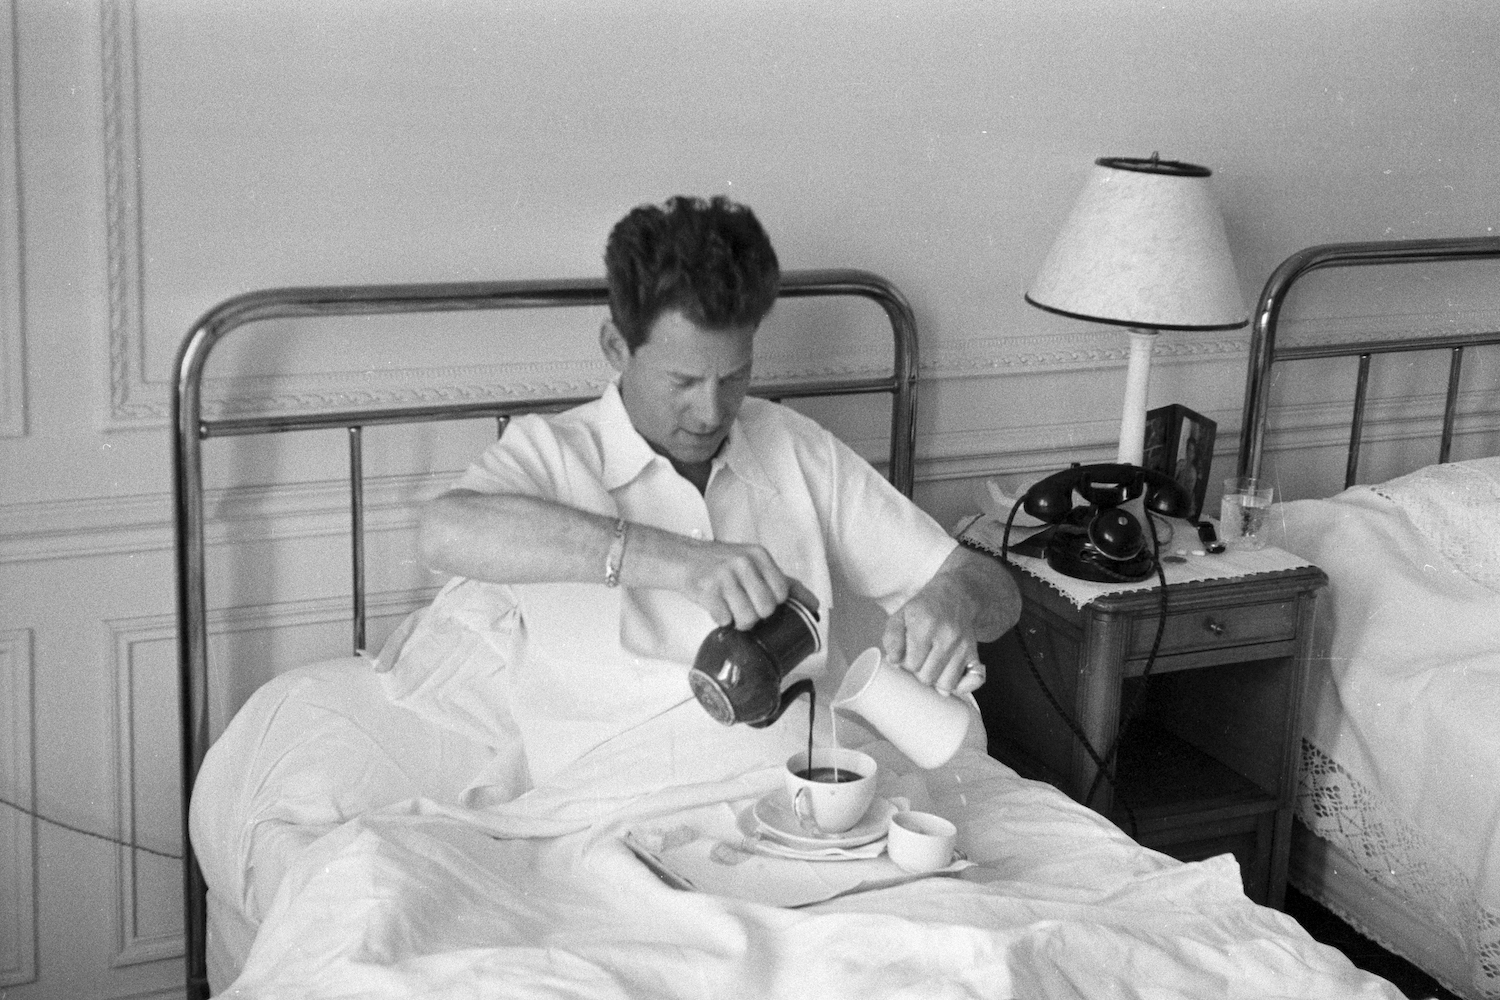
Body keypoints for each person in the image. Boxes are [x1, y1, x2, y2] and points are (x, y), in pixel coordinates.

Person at [407, 195, 1020, 786]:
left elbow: (995, 591)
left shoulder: (792, 446)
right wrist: (682, 562)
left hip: (796, 793)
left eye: (734, 377)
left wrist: (954, 598)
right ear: (616, 346)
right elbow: (442, 533)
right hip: (612, 800)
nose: (710, 412)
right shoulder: (551, 453)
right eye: (682, 381)